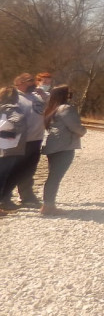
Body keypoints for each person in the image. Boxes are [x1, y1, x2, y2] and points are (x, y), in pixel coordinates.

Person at [39, 84, 87, 216]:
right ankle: (48, 206)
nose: (71, 94)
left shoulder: (51, 108)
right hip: (64, 146)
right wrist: (83, 131)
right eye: (68, 92)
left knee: (53, 175)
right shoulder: (66, 108)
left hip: (53, 145)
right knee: (55, 177)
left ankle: (48, 204)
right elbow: (75, 127)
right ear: (64, 95)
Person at [0, 73, 46, 209]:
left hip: (36, 139)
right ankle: (5, 197)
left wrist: (44, 95)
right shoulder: (15, 98)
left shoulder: (37, 97)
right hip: (21, 141)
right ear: (19, 83)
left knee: (29, 170)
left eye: (33, 81)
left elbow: (49, 107)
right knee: (14, 170)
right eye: (29, 81)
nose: (33, 83)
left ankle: (27, 196)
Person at [0, 86, 25, 218]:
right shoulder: (14, 109)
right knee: (3, 177)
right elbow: (19, 123)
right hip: (9, 148)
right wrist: (6, 133)